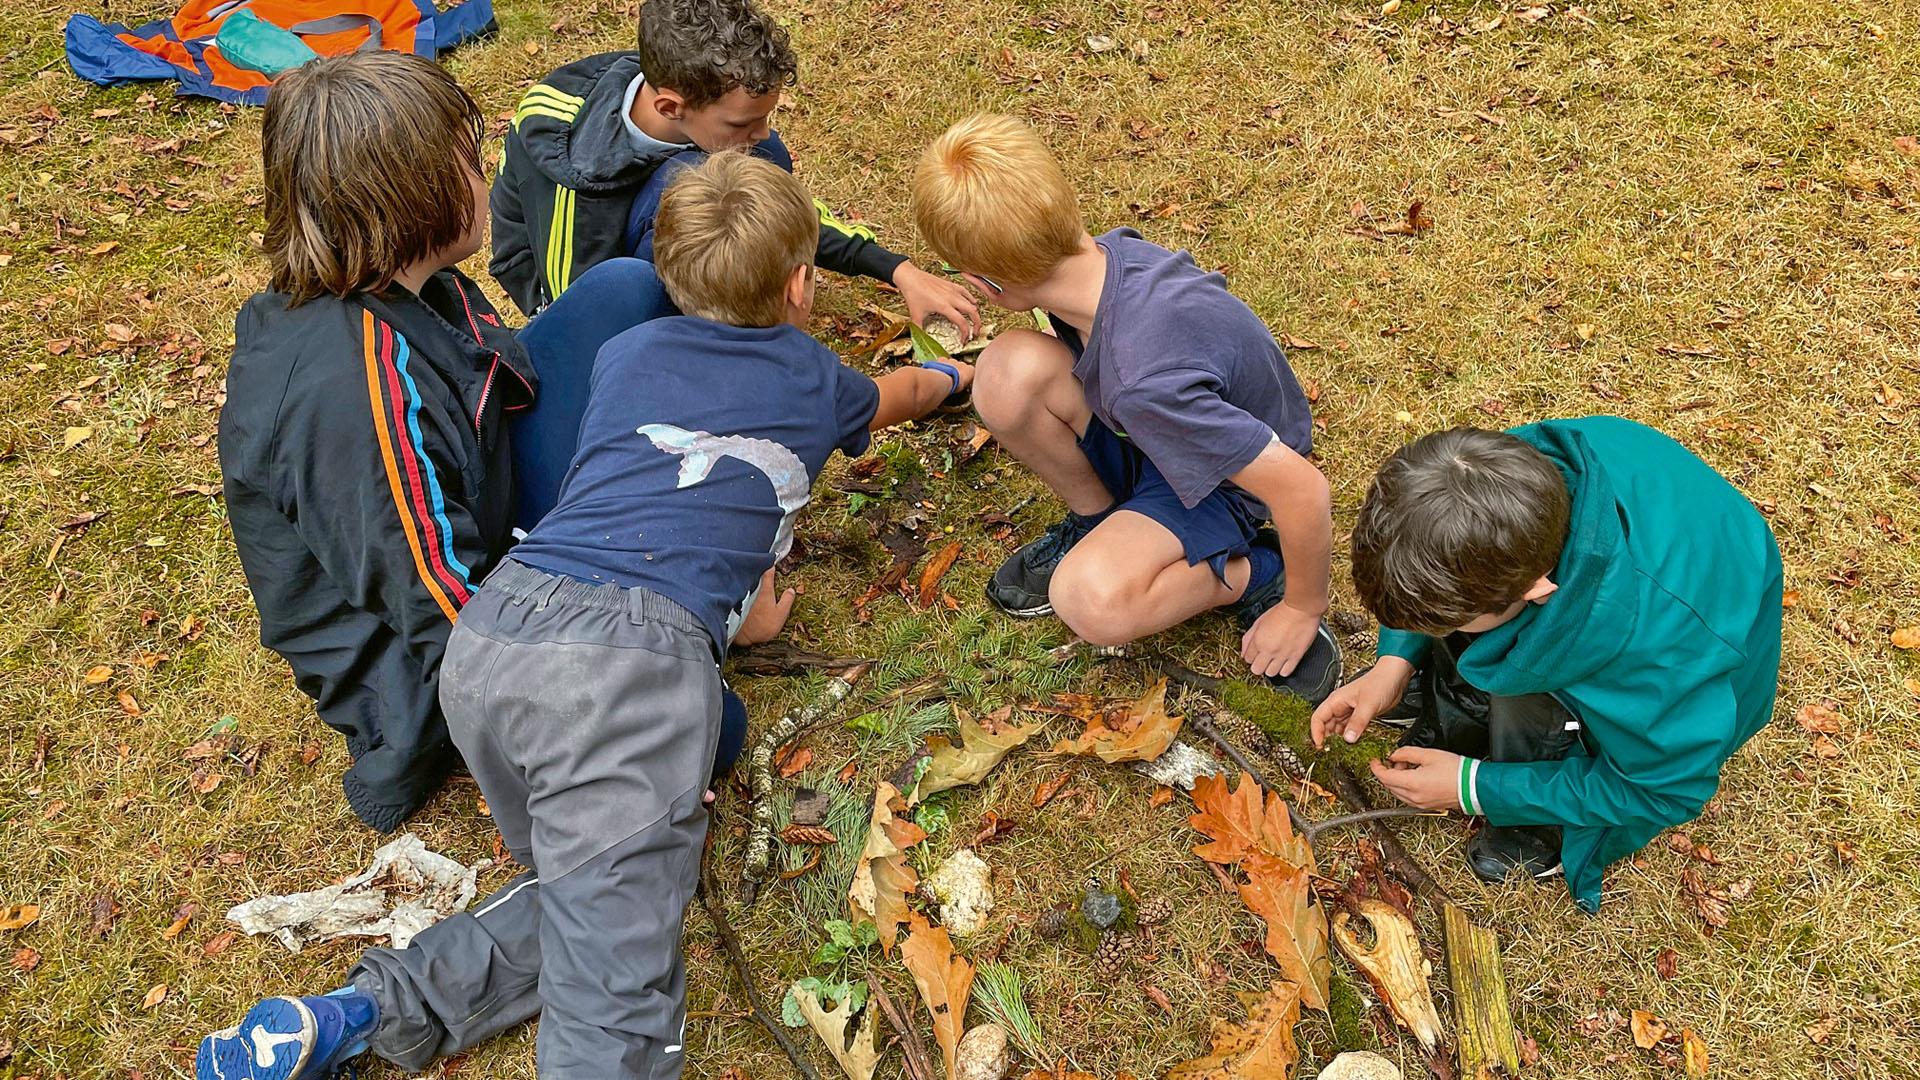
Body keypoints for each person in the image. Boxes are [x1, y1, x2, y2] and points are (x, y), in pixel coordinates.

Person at [196, 150, 973, 1080]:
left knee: (603, 875)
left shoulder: (625, 352)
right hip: (620, 675)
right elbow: (890, 401)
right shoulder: (812, 377)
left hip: (493, 640)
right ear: (802, 284)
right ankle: (377, 1010)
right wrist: (965, 380)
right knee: (619, 1022)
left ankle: (359, 1016)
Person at [218, 52, 748, 836]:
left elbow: (498, 385)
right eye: (472, 163)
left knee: (623, 291)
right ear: (413, 198)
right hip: (434, 658)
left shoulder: (403, 281)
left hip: (481, 488)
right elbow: (454, 619)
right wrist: (636, 703)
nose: (489, 175)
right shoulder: (356, 399)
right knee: (713, 727)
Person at [910, 113, 1342, 701]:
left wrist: (1303, 606)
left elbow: (1303, 490)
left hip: (1227, 481)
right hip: (1161, 436)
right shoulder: (1103, 259)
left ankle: (1258, 572)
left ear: (989, 285)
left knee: (1088, 600)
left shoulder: (1143, 379)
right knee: (1004, 373)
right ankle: (1100, 519)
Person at [1311, 419, 1783, 912]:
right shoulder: (1488, 481)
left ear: (1536, 590)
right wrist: (1394, 662)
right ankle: (1468, 704)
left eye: (1443, 623)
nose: (1432, 630)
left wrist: (1476, 789)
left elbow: (1662, 790)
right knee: (1477, 626)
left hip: (1677, 656)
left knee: (1534, 704)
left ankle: (1542, 827)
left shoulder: (1659, 659)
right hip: (1640, 570)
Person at [487, 0, 977, 338]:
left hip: (645, 206)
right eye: (745, 120)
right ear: (672, 106)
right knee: (694, 196)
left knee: (766, 162)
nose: (761, 130)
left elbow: (784, 205)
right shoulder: (576, 183)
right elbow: (576, 314)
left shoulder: (683, 92)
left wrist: (900, 271)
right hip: (571, 279)